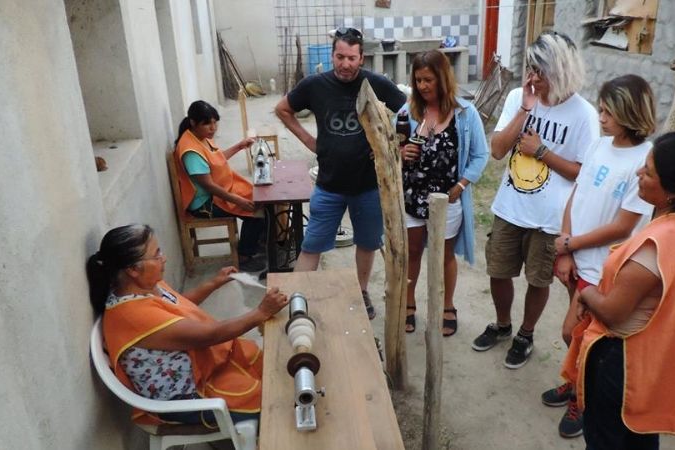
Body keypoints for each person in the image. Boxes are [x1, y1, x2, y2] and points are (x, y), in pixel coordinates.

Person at [561, 132, 675, 449]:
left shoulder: (657, 244)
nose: (639, 173)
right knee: (638, 439)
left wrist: (586, 294)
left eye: (648, 171)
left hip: (619, 363)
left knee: (606, 440)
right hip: (652, 363)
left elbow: (612, 313)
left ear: (673, 190)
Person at [471, 31, 600, 370]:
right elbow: (498, 150)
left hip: (550, 218)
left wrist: (542, 152)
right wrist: (525, 110)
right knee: (498, 272)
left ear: (562, 70)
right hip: (510, 207)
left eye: (541, 71)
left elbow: (582, 174)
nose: (533, 78)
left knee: (537, 280)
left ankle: (526, 334)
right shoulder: (519, 97)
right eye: (531, 68)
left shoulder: (583, 115)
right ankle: (502, 324)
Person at [541, 74, 656, 438]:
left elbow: (624, 226)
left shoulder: (644, 160)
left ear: (628, 112)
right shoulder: (598, 145)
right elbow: (576, 194)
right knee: (579, 335)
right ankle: (575, 380)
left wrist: (571, 246)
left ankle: (581, 395)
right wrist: (565, 244)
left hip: (606, 267)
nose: (601, 117)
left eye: (607, 110)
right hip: (576, 256)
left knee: (575, 333)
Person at [86, 224, 289, 427]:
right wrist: (260, 313)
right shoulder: (131, 314)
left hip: (200, 371)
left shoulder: (143, 287)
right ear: (133, 270)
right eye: (156, 255)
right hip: (187, 396)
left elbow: (177, 306)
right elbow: (211, 335)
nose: (163, 258)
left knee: (269, 371)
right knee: (274, 406)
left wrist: (214, 283)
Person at [275, 27, 406, 319]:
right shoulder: (314, 85)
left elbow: (408, 111)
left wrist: (388, 142)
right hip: (329, 185)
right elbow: (283, 109)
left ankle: (360, 291)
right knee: (312, 245)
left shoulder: (375, 84)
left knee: (368, 242)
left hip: (369, 185)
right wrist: (309, 140)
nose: (345, 64)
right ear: (332, 55)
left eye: (351, 58)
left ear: (362, 58)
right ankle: (296, 299)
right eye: (339, 56)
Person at [397, 50, 488, 336]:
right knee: (412, 252)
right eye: (418, 80)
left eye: (428, 80)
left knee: (444, 255)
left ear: (443, 78)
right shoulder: (407, 112)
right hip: (412, 197)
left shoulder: (464, 114)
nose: (422, 86)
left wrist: (459, 187)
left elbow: (480, 155)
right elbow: (388, 149)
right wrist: (400, 152)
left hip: (447, 199)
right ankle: (408, 304)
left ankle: (447, 306)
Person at [173, 100, 266, 272]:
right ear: (193, 122)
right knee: (256, 212)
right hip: (204, 203)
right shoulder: (190, 151)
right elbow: (208, 186)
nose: (213, 127)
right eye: (207, 123)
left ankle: (257, 242)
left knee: (263, 199)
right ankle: (244, 256)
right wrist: (238, 200)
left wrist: (239, 146)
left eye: (215, 122)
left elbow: (215, 159)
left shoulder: (199, 138)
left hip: (216, 193)